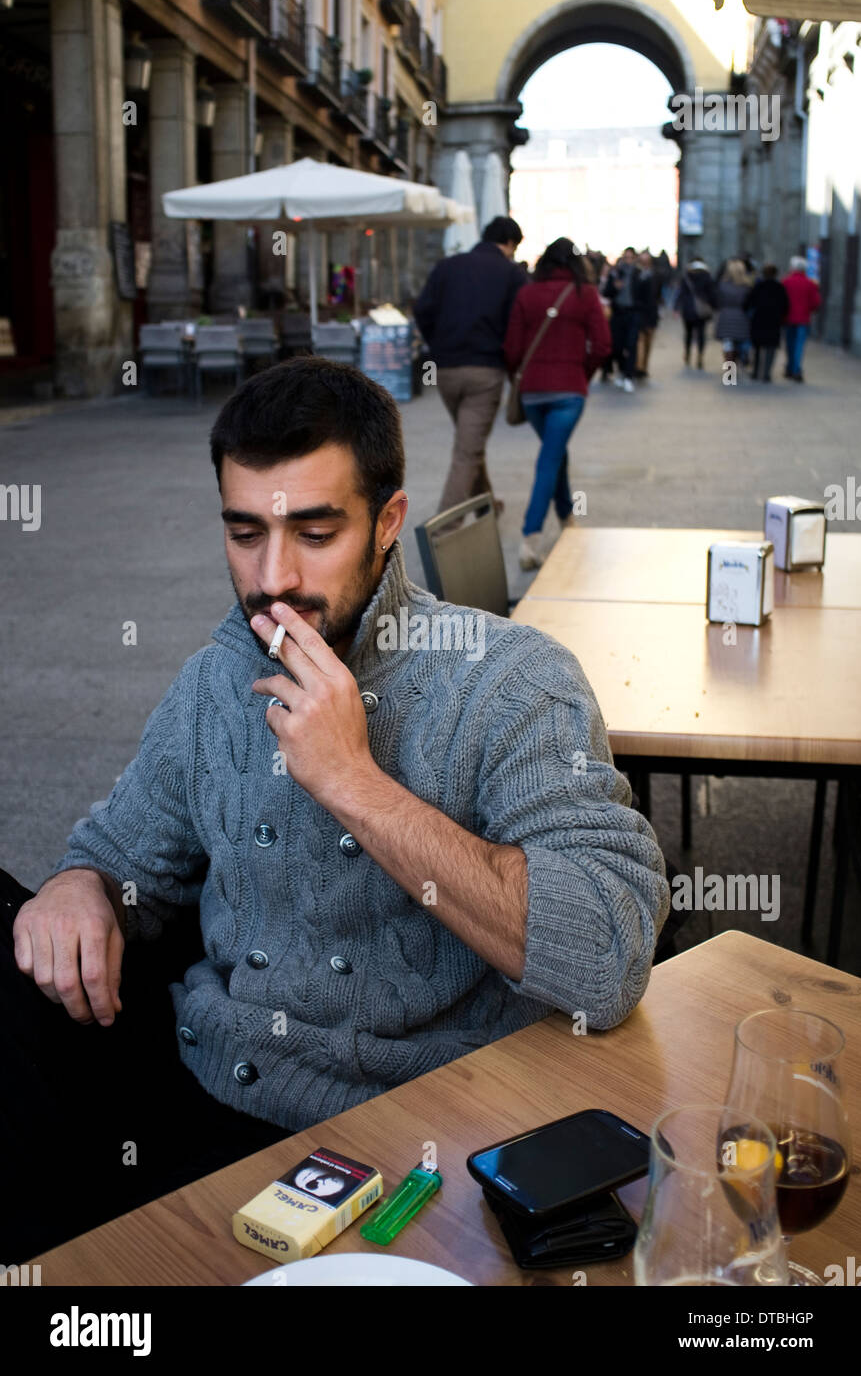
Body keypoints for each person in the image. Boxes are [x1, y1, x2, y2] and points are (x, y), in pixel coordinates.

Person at [3, 357, 669, 1260]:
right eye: (244, 533)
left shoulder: (512, 684)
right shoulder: (213, 681)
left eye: (314, 532)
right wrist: (80, 884)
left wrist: (351, 780)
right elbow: (120, 854)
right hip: (203, 1099)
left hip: (424, 1135)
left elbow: (605, 955)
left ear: (388, 521)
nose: (272, 577)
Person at [503, 238, 612, 571]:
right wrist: (582, 373)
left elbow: (511, 349)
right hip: (569, 392)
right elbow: (603, 345)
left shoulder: (527, 294)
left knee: (555, 451)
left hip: (533, 392)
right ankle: (530, 538)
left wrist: (523, 378)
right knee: (550, 457)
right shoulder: (586, 294)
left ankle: (567, 519)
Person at [413, 215, 527, 513]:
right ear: (510, 243)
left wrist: (438, 344)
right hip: (485, 370)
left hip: (445, 370)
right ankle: (442, 536)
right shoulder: (511, 273)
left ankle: (486, 505)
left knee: (470, 444)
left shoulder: (447, 266)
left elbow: (422, 310)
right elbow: (519, 326)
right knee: (467, 451)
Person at [601, 246, 640, 392]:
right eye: (626, 257)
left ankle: (629, 375)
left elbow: (647, 295)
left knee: (631, 345)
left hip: (633, 313)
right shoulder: (616, 273)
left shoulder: (638, 274)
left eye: (631, 258)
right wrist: (615, 287)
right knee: (617, 346)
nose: (628, 260)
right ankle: (623, 370)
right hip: (618, 314)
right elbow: (606, 292)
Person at [744, 264, 789, 382]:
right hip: (774, 321)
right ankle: (766, 373)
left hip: (759, 320)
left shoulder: (759, 286)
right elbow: (785, 305)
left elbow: (748, 302)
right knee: (771, 348)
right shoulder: (779, 287)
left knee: (757, 347)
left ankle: (755, 371)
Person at [782, 255, 821, 382]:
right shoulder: (810, 284)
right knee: (799, 345)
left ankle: (790, 367)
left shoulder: (786, 282)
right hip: (803, 319)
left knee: (789, 344)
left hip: (788, 318)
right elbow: (815, 302)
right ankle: (796, 369)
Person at [674, 257, 716, 369]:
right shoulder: (707, 276)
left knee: (688, 333)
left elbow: (680, 293)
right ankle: (700, 356)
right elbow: (712, 294)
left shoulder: (687, 276)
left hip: (688, 309)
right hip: (701, 310)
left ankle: (688, 354)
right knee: (701, 334)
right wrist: (714, 307)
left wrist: (676, 308)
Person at [714, 258, 753, 372]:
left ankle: (729, 372)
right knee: (738, 344)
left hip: (726, 316)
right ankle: (736, 365)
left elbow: (718, 301)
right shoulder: (746, 286)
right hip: (741, 317)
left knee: (728, 345)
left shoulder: (722, 285)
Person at [634, 251, 661, 380]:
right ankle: (639, 366)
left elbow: (658, 294)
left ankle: (644, 366)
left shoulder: (655, 274)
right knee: (640, 340)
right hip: (640, 312)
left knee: (648, 341)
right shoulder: (636, 274)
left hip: (651, 313)